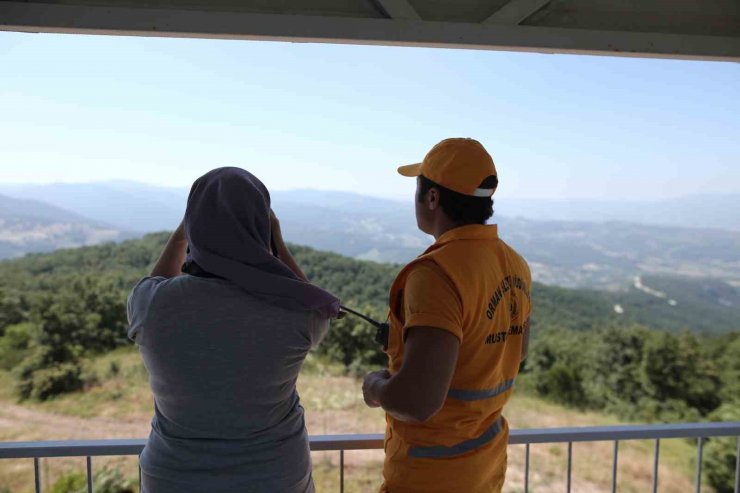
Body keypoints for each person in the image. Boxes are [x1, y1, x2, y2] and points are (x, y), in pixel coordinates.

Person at [126, 167, 341, 493]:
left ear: (193, 227)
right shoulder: (296, 313)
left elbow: (154, 283)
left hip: (174, 478)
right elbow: (310, 300)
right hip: (273, 477)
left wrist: (182, 234)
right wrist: (277, 242)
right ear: (262, 228)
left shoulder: (151, 305)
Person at [362, 138, 532, 493]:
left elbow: (418, 401)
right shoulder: (514, 264)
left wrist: (375, 388)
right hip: (484, 468)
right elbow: (515, 352)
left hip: (429, 476)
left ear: (433, 198)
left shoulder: (436, 275)